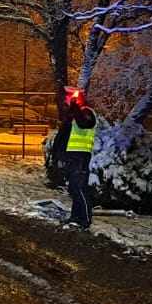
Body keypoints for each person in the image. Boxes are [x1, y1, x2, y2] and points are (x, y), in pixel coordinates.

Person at [54, 86, 97, 229]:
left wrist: (76, 109)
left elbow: (85, 123)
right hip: (71, 156)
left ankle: (85, 219)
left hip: (80, 156)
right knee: (74, 188)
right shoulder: (73, 116)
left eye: (69, 98)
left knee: (79, 188)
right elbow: (62, 137)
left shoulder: (87, 112)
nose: (66, 101)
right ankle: (75, 217)